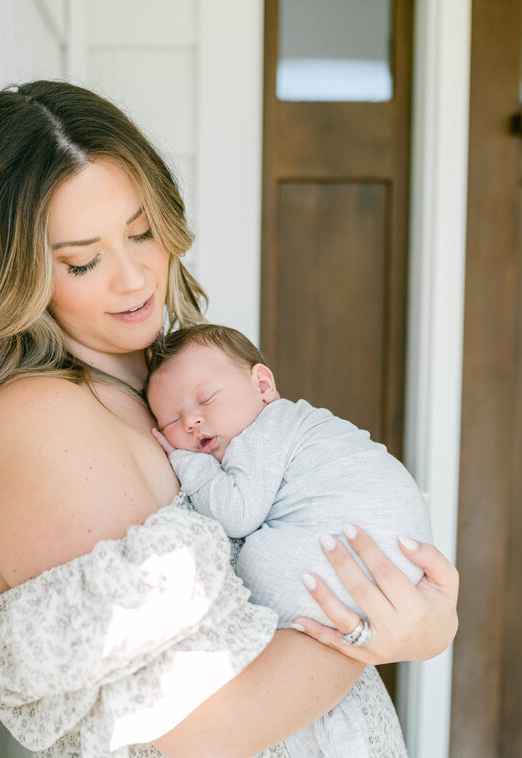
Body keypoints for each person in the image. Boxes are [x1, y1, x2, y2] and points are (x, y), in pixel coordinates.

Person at [0, 79, 459, 758]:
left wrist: (426, 627)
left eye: (142, 233)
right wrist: (370, 626)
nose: (135, 279)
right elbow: (198, 728)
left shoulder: (166, 385)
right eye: (83, 261)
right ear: (21, 271)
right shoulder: (41, 423)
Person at [145, 323, 434, 757]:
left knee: (255, 555)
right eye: (170, 419)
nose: (191, 419)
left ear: (263, 385)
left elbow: (236, 513)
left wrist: (185, 460)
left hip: (347, 563)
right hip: (383, 568)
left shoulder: (265, 430)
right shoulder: (299, 426)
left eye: (206, 399)